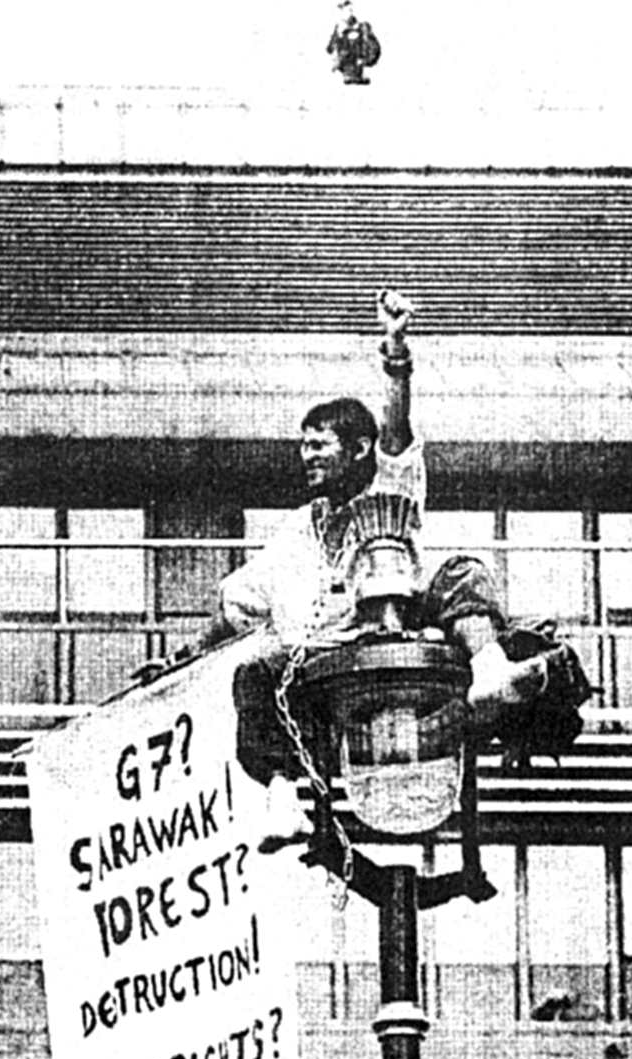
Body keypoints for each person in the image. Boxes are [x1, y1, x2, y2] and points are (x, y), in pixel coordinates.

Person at [214, 290, 552, 848]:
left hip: (398, 637)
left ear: (358, 449)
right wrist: (175, 661)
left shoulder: (391, 484)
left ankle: (491, 674)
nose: (306, 456)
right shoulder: (297, 530)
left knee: (463, 572)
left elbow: (396, 429)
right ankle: (282, 797)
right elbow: (234, 607)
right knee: (253, 674)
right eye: (303, 446)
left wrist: (395, 350)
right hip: (330, 662)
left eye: (319, 445)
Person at [326, 0, 381, 85]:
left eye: (349, 10)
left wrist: (364, 61)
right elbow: (329, 50)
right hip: (340, 76)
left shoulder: (362, 28)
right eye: (342, 10)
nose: (347, 13)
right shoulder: (338, 29)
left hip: (358, 76)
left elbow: (374, 49)